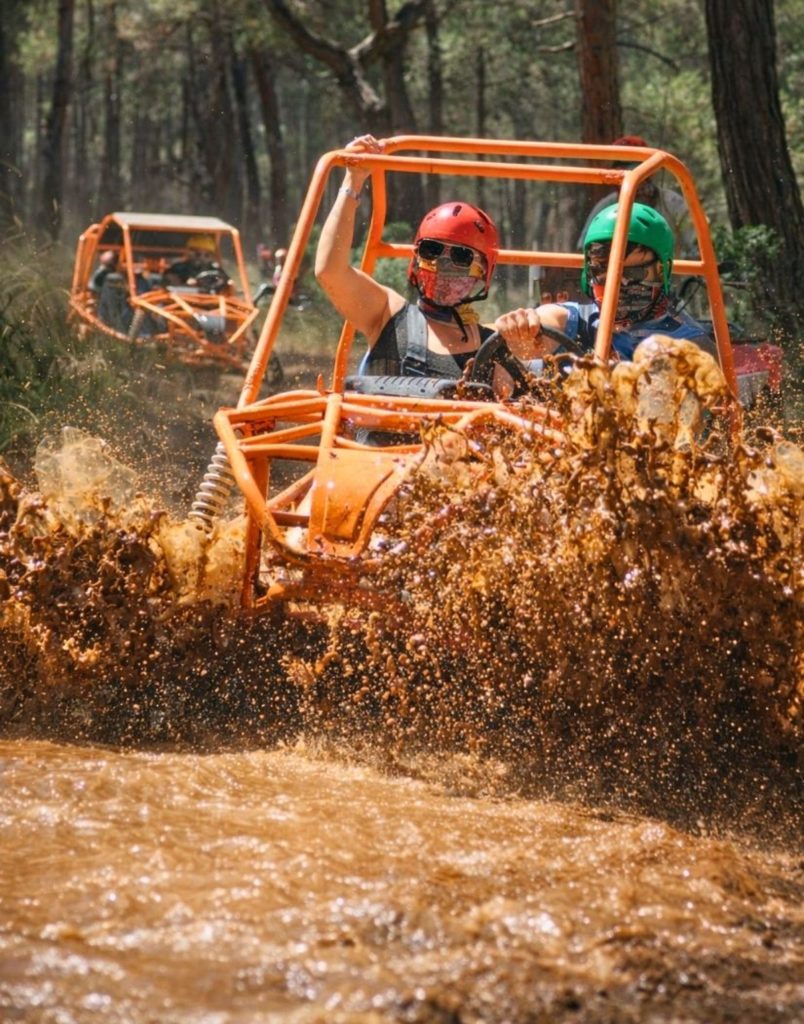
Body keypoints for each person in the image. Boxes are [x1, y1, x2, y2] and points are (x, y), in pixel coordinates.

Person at [315, 134, 534, 392]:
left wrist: (527, 343)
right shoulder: (387, 314)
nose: (443, 262)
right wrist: (353, 180)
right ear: (417, 257)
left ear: (483, 272)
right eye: (432, 250)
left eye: (461, 257)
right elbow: (330, 271)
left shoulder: (494, 347)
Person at [498, 202, 715, 363]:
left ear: (661, 271)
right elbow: (544, 322)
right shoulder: (576, 322)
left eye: (635, 272)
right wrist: (523, 330)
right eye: (602, 271)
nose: (617, 283)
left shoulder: (690, 345)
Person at [576, 135, 696, 258]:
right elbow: (584, 251)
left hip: (669, 276)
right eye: (622, 173)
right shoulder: (605, 208)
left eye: (638, 171)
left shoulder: (673, 204)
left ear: (650, 172)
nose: (634, 182)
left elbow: (697, 246)